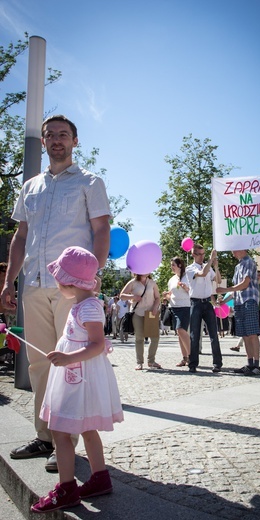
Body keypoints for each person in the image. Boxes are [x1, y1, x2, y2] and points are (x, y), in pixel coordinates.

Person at [1, 115, 111, 472]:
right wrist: (9, 281)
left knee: (71, 365)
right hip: (32, 283)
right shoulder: (29, 186)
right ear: (44, 142)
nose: (56, 140)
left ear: (75, 141)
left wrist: (92, 276)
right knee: (38, 363)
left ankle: (66, 442)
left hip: (71, 290)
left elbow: (100, 230)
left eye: (63, 134)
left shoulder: (90, 182)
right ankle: (45, 437)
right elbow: (20, 237)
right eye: (50, 135)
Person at [30, 246, 123, 514]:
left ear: (68, 282)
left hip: (78, 379)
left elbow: (97, 344)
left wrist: (68, 358)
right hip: (76, 377)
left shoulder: (89, 308)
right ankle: (100, 478)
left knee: (60, 430)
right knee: (86, 428)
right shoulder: (82, 304)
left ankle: (67, 488)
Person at [217, 250, 260, 375]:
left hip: (249, 300)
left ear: (242, 249)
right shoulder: (238, 266)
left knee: (252, 333)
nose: (233, 253)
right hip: (239, 302)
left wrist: (226, 289)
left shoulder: (249, 262)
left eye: (234, 250)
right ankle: (250, 363)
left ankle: (256, 365)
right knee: (245, 335)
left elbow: (245, 283)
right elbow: (235, 289)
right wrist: (224, 301)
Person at [185, 245, 222, 373]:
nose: (202, 257)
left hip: (207, 302)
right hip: (195, 303)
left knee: (213, 334)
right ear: (193, 255)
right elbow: (202, 273)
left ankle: (217, 363)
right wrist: (211, 261)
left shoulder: (208, 266)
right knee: (194, 335)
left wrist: (216, 266)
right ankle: (193, 363)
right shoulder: (190, 269)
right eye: (199, 254)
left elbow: (218, 279)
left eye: (203, 254)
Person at [120, 273, 161, 370]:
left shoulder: (152, 283)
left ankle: (151, 361)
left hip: (151, 313)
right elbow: (122, 295)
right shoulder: (133, 282)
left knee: (155, 337)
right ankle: (139, 362)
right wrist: (133, 297)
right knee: (139, 338)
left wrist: (155, 307)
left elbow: (158, 298)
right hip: (138, 313)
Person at [163, 256, 191, 366]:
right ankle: (185, 358)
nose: (171, 267)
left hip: (185, 307)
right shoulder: (172, 279)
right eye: (171, 265)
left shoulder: (187, 277)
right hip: (174, 308)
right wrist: (166, 296)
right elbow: (171, 295)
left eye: (173, 265)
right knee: (179, 333)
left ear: (180, 265)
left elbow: (193, 293)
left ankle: (191, 356)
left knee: (180, 330)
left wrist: (186, 288)